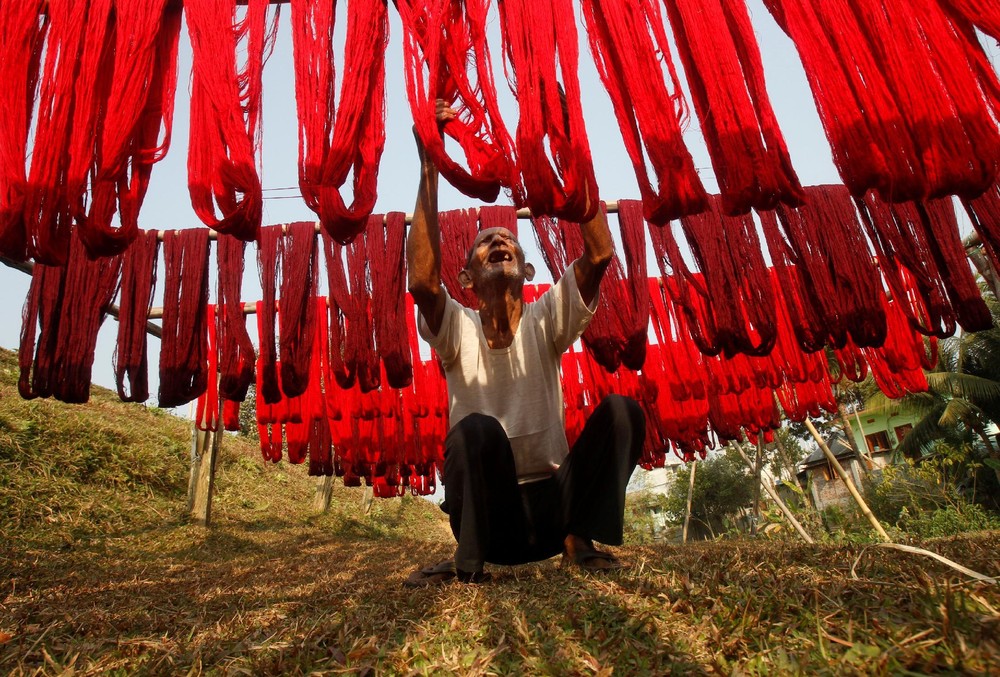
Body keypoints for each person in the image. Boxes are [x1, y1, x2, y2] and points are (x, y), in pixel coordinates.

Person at [404, 102, 644, 587]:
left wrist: (569, 149)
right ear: (467, 278)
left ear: (527, 272)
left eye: (508, 240)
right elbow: (424, 284)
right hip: (491, 520)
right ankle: (467, 562)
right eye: (485, 242)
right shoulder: (456, 327)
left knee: (623, 410)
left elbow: (600, 253)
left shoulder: (546, 319)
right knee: (474, 429)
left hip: (557, 508)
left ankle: (581, 539)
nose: (498, 242)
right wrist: (430, 165)